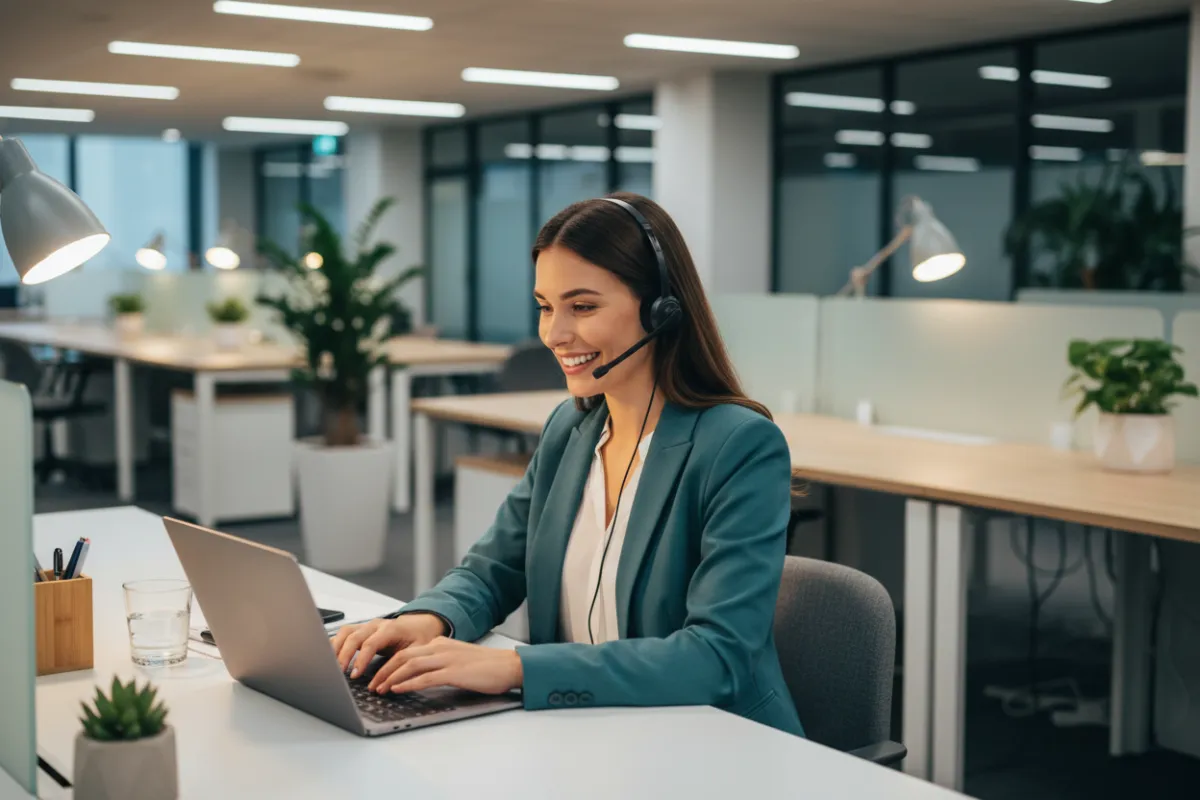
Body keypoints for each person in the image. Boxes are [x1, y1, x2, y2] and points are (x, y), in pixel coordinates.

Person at [331, 192, 804, 737]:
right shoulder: (571, 430)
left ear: (661, 309)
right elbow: (494, 569)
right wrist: (428, 618)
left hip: (711, 741)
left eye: (582, 307)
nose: (555, 334)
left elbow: (717, 658)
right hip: (585, 731)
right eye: (545, 306)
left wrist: (513, 668)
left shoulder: (739, 446)